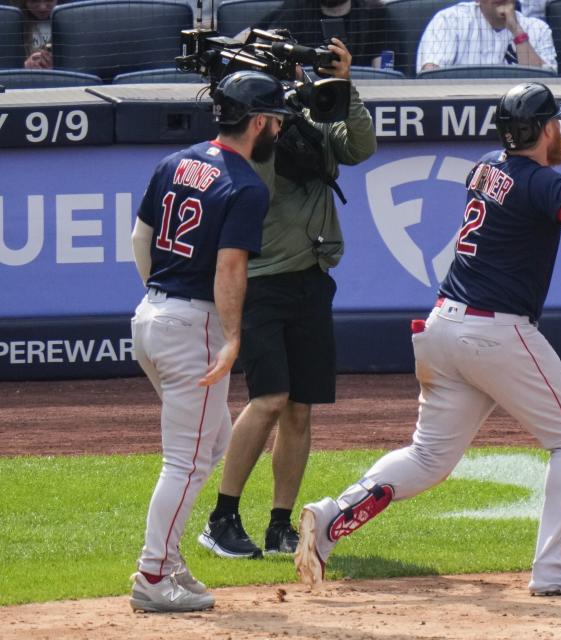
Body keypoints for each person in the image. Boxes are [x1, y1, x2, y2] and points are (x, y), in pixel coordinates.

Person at [294, 82, 561, 596]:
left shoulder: (487, 164)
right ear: (542, 130)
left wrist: (560, 129)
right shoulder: (537, 184)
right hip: (495, 333)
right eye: (556, 124)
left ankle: (330, 515)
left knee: (427, 459)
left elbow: (529, 162)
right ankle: (555, 569)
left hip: (444, 328)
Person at [197, 39, 376, 559]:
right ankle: (222, 517)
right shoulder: (252, 132)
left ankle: (279, 524)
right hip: (262, 282)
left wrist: (344, 87)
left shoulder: (312, 117)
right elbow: (264, 180)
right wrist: (282, 119)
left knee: (300, 408)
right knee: (269, 399)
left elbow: (359, 147)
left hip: (311, 277)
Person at [128, 70, 292, 612]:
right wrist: (231, 337)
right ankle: (153, 574)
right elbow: (229, 267)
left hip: (151, 314)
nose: (279, 130)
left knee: (215, 441)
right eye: (276, 120)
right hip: (188, 324)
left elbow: (140, 237)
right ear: (260, 121)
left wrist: (162, 297)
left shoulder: (176, 161)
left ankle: (169, 560)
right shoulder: (243, 184)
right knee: (188, 461)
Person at [416, 0, 557, 74]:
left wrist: (517, 31)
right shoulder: (449, 20)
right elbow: (430, 74)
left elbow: (542, 84)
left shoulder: (538, 29)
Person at [260, 0, 388, 69]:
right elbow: (265, 44)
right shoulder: (295, 8)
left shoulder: (374, 13)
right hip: (306, 94)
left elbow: (384, 70)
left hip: (362, 93)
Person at [20, 0, 55, 69]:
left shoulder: (73, 24)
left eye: (50, 0)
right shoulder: (13, 23)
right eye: (34, 1)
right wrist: (23, 67)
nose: (43, 8)